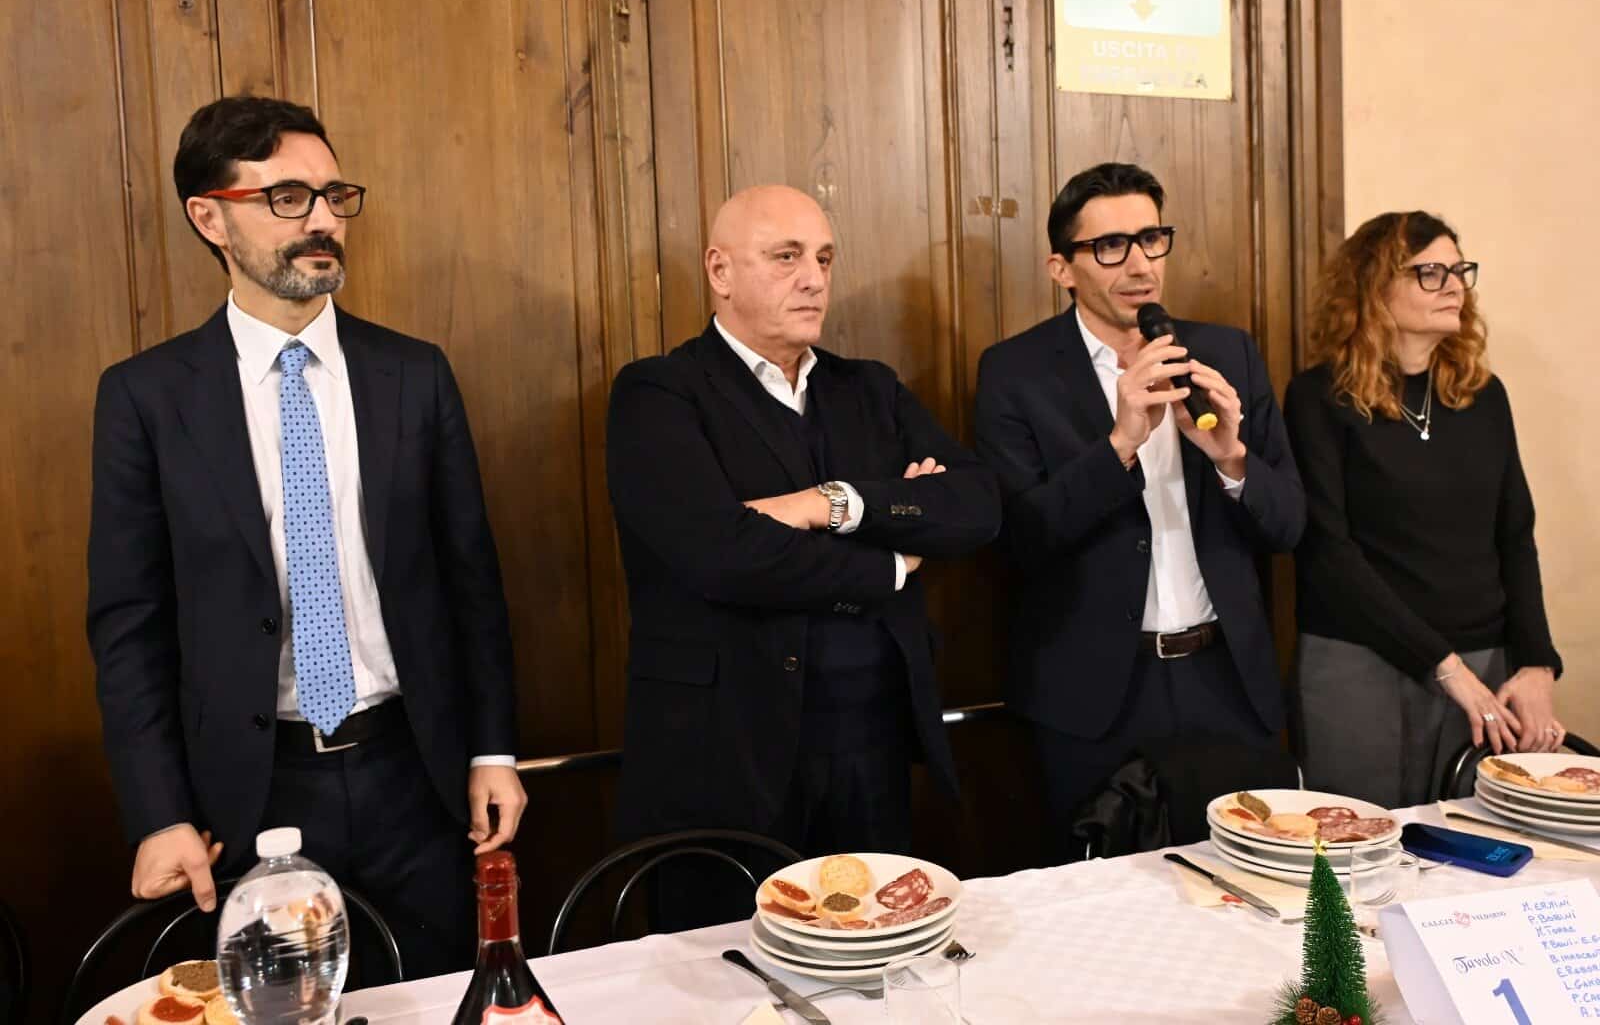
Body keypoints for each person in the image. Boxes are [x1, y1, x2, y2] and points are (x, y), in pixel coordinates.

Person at [87, 96, 525, 977]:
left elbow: (470, 579)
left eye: (333, 196)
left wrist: (492, 749)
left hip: (416, 772)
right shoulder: (147, 397)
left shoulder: (413, 374)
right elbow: (130, 622)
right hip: (249, 791)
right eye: (287, 198)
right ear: (209, 218)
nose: (322, 220)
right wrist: (160, 812)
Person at [605, 185, 999, 909]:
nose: (814, 278)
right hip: (725, 750)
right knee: (727, 962)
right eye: (786, 257)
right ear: (720, 271)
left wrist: (830, 504)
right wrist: (891, 560)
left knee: (872, 952)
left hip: (873, 741)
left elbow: (975, 506)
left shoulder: (870, 388)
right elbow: (722, 555)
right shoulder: (659, 393)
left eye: (823, 258)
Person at [974, 162, 1305, 856]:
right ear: (1061, 268)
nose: (1140, 264)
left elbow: (1288, 524)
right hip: (1094, 695)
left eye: (1152, 239)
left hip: (1225, 681)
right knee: (1099, 900)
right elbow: (1019, 540)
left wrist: (1232, 458)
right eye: (1110, 246)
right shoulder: (1016, 372)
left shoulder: (1227, 353)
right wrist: (1119, 444)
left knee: (1247, 890)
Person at [1285, 210, 1564, 808]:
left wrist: (1537, 665)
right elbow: (1329, 554)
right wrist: (1444, 666)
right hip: (1359, 664)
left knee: (1478, 842)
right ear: (1373, 287)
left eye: (1458, 270)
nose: (1454, 286)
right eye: (1430, 272)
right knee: (1360, 843)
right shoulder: (1319, 398)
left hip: (1485, 660)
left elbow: (1516, 536)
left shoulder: (1483, 395)